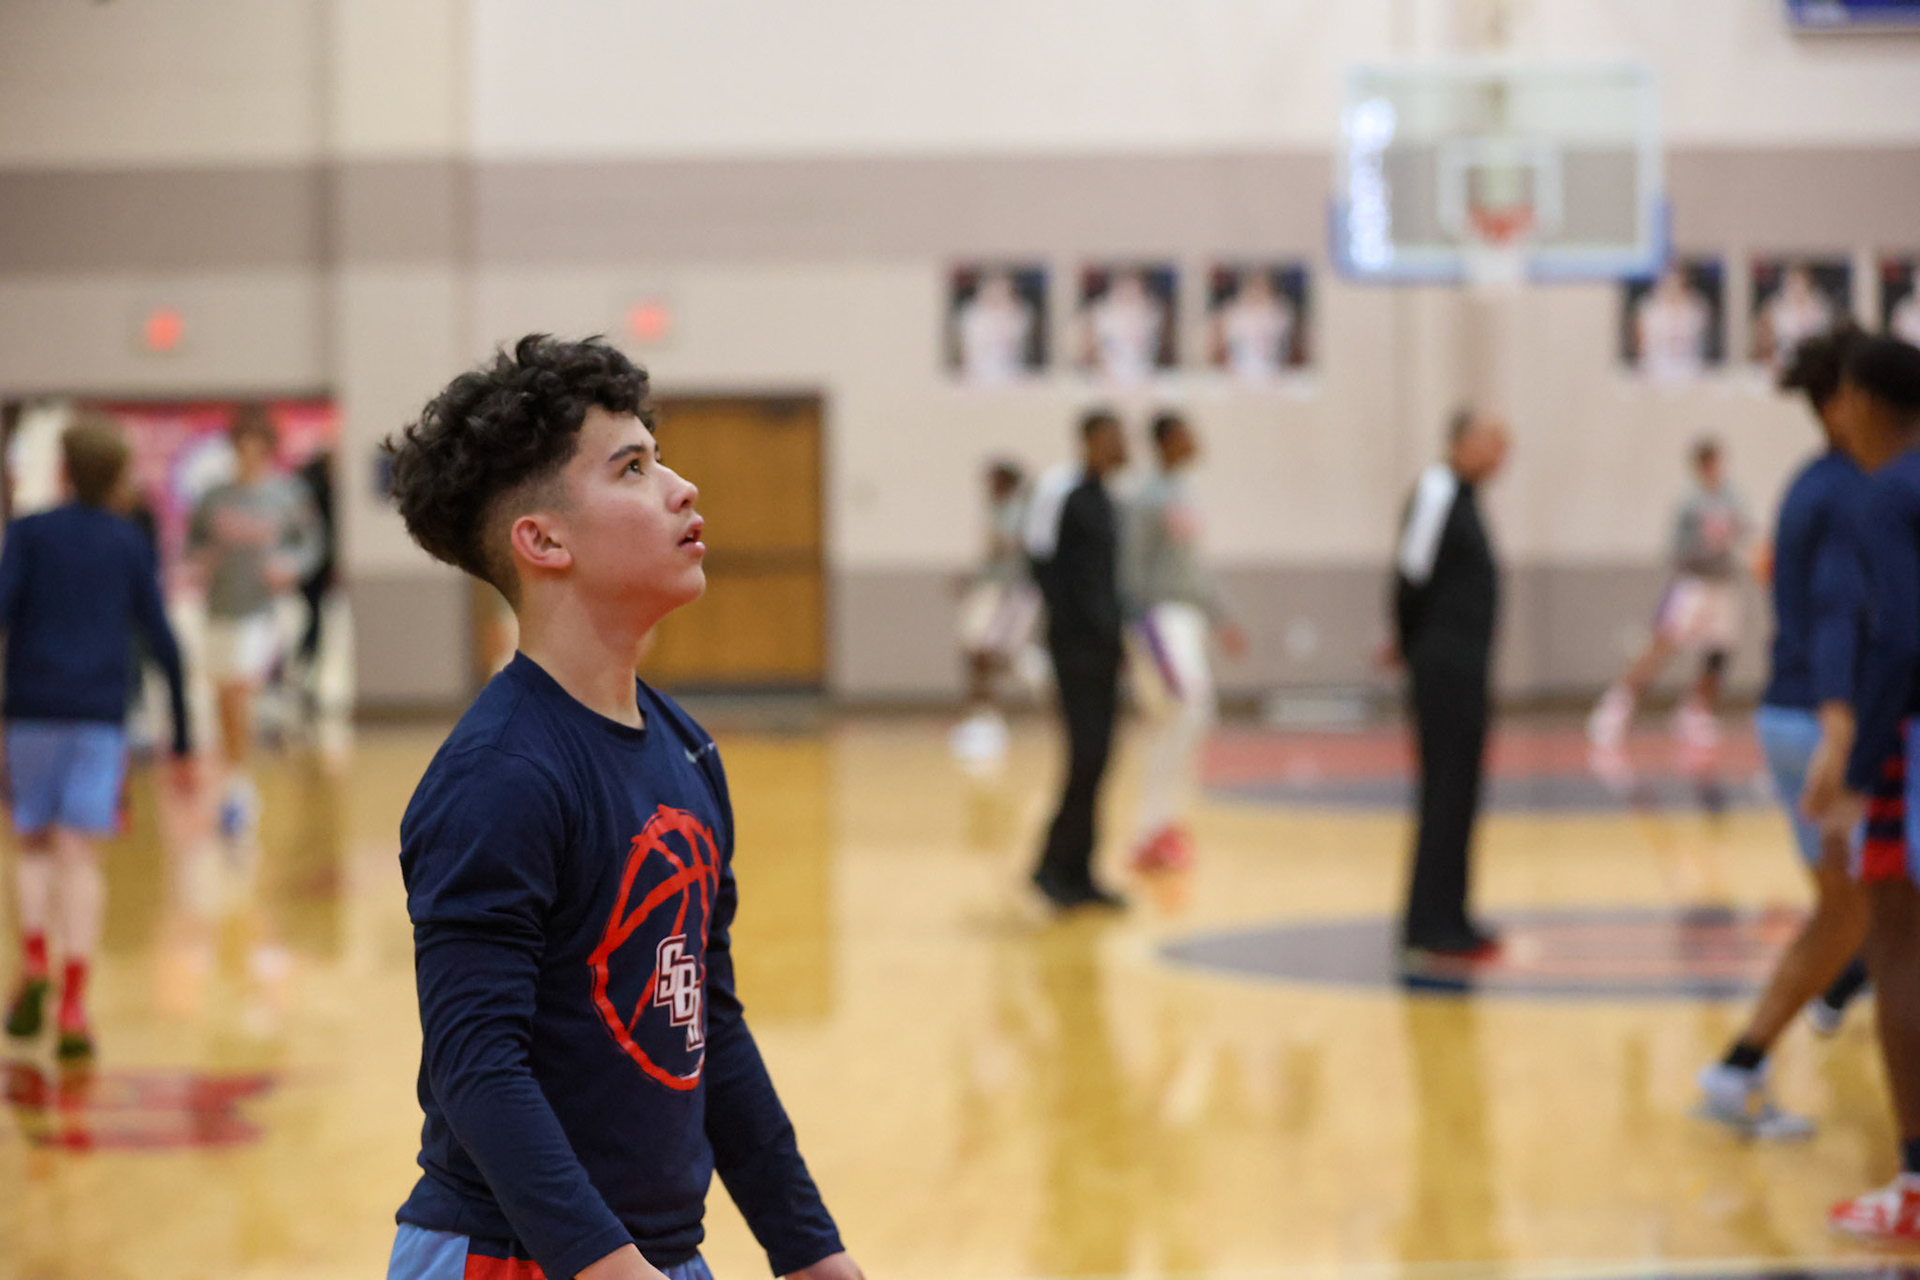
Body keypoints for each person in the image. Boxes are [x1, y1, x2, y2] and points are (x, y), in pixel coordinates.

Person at [381, 335, 859, 1280]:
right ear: (544, 540)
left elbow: (706, 1024)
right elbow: (476, 1066)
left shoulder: (687, 751)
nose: (682, 488)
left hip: (654, 1256)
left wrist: (808, 1248)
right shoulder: (499, 774)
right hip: (519, 1257)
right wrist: (610, 1267)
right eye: (634, 468)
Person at [1694, 325, 1871, 1139]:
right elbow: (1840, 618)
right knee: (1866, 909)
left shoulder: (1823, 482)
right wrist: (1841, 730)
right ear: (1843, 405)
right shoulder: (1843, 492)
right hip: (1819, 718)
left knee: (1846, 915)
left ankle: (1741, 1064)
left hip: (1800, 713)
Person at [0, 414, 193, 1062]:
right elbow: (161, 639)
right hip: (98, 719)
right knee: (80, 858)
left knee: (31, 845)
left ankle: (33, 963)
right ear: (114, 479)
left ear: (59, 473)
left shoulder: (26, 535)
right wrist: (185, 734)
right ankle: (75, 1001)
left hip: (29, 711)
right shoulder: (127, 543)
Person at [1804, 334, 1920, 1243]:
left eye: (1843, 397)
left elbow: (1903, 640)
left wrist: (1857, 765)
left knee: (1899, 952)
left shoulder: (1891, 493)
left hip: (1912, 745)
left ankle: (1916, 1179)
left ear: (1869, 403)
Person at [1387, 408, 1510, 961]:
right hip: (1443, 667)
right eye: (1494, 442)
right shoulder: (1437, 490)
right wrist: (1411, 646)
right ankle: (1429, 922)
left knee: (1461, 792)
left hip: (1465, 667)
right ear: (1462, 441)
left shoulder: (1465, 496)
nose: (1503, 454)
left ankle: (1452, 911)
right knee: (1443, 792)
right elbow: (1409, 574)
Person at [188, 406, 323, 839]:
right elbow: (193, 542)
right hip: (219, 606)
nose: (248, 454)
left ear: (268, 450)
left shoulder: (287, 494)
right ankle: (236, 777)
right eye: (241, 446)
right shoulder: (214, 497)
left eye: (256, 446)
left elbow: (313, 544)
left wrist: (291, 565)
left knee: (238, 688)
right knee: (222, 693)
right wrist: (198, 561)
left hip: (264, 609)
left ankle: (239, 787)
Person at [1120, 411, 1246, 872]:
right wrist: (1131, 627)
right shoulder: (1148, 499)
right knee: (1186, 710)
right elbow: (1130, 567)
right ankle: (1152, 828)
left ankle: (1159, 827)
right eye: (1187, 433)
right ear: (1167, 441)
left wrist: (1221, 615)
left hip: (1187, 619)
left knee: (1181, 720)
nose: (1196, 439)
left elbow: (1194, 567)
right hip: (1159, 619)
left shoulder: (1185, 494)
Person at [1587, 439, 1752, 759]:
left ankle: (1696, 711)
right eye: (1713, 463)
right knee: (1663, 644)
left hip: (1723, 585)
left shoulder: (1731, 497)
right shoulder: (1690, 504)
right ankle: (1617, 704)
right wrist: (1703, 550)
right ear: (1701, 466)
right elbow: (1675, 548)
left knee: (1718, 651)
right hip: (1694, 584)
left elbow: (1743, 531)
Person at [1025, 409, 1130, 910]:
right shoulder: (1058, 491)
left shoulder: (1107, 501)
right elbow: (1039, 559)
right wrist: (1069, 630)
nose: (1121, 446)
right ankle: (1050, 867)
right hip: (1074, 650)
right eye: (1112, 438)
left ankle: (1081, 869)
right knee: (1084, 756)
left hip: (1106, 650)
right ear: (1088, 439)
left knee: (1100, 760)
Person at [950, 460, 1040, 768]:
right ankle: (984, 718)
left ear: (1007, 483)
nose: (988, 489)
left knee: (982, 653)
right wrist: (972, 578)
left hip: (1008, 595)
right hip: (992, 590)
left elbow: (1012, 556)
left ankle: (988, 719)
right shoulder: (996, 513)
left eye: (993, 482)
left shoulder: (1018, 515)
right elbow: (991, 558)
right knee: (975, 654)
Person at [1082, 270, 1165, 385]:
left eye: (1134, 291)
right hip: (1107, 374)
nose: (1129, 295)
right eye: (1125, 290)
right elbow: (1094, 349)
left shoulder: (1151, 312)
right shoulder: (1102, 313)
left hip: (1143, 373)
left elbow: (1150, 348)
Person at [1212, 271, 1296, 383]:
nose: (1258, 292)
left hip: (1272, 375)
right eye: (1255, 287)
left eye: (1262, 287)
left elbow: (1287, 346)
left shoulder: (1280, 311)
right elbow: (1219, 345)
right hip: (1238, 375)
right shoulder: (1234, 312)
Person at [956, 270, 1036, 386]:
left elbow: (1014, 338)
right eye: (993, 290)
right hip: (976, 377)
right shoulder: (972, 316)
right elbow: (970, 353)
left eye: (1002, 291)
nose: (997, 294)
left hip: (1012, 378)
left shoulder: (1020, 314)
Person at [1633, 266, 1712, 383]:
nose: (1671, 283)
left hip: (1690, 372)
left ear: (1683, 279)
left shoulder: (1697, 307)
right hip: (1654, 372)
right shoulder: (1648, 308)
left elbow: (1704, 342)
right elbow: (1640, 343)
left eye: (1675, 278)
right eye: (1666, 279)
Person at [1757, 264, 1837, 371]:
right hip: (1784, 363)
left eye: (1800, 282)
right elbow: (1769, 340)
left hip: (1814, 364)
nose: (1797, 287)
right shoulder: (1778, 307)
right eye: (1793, 282)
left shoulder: (1820, 308)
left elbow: (1824, 338)